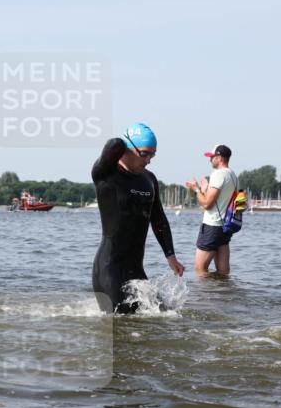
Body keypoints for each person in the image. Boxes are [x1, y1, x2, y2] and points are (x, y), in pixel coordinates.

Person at [91, 122, 185, 313]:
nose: (149, 159)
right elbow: (111, 146)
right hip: (109, 271)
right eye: (144, 153)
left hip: (136, 271)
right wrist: (122, 142)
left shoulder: (149, 179)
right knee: (121, 329)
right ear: (126, 149)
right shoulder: (106, 175)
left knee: (168, 317)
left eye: (153, 154)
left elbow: (158, 218)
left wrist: (171, 256)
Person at [186, 145, 238, 275]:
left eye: (212, 157)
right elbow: (220, 200)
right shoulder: (233, 175)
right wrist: (205, 189)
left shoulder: (218, 174)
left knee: (200, 268)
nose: (210, 160)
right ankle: (222, 294)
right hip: (226, 226)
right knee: (223, 271)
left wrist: (196, 189)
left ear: (219, 158)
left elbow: (207, 204)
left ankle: (205, 295)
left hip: (212, 226)